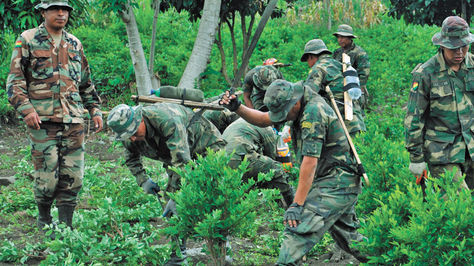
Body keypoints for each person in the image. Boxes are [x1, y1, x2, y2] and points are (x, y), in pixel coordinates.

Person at [219, 79, 368, 264]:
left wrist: (297, 204)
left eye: (284, 113)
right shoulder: (295, 102)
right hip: (334, 180)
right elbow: (265, 119)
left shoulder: (313, 112)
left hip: (337, 181)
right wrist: (238, 107)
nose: (282, 117)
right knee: (352, 242)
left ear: (295, 103)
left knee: (297, 228)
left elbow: (310, 162)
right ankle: (394, 258)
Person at [6, 0, 103, 231]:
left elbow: (86, 83)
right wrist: (27, 110)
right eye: (55, 9)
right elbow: (14, 82)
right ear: (43, 11)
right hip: (43, 122)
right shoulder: (28, 39)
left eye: (65, 10)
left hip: (73, 121)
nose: (61, 13)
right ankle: (44, 220)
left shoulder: (75, 43)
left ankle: (65, 228)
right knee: (47, 177)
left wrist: (94, 110)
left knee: (73, 176)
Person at [404, 16, 474, 191]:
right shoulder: (426, 74)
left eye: (464, 47)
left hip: (471, 146)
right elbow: (414, 118)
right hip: (441, 151)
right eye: (453, 48)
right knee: (459, 202)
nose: (459, 52)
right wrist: (416, 158)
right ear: (442, 45)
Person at [107, 103, 226, 196]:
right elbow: (131, 157)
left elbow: (182, 164)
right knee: (171, 204)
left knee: (208, 193)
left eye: (134, 132)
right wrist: (143, 180)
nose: (132, 138)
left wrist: (177, 195)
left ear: (141, 119)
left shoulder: (168, 121)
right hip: (176, 156)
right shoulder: (129, 135)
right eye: (127, 135)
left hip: (206, 147)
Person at [222, 118, 294, 207]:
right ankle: (292, 205)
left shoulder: (244, 121)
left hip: (223, 161)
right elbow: (271, 157)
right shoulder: (267, 128)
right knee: (276, 169)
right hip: (241, 158)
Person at [301, 39, 366, 136]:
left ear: (311, 56)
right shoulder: (341, 65)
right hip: (357, 122)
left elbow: (307, 95)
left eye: (307, 60)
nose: (308, 64)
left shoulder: (318, 69)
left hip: (342, 125)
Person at [332, 24, 370, 111]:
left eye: (342, 37)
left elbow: (364, 75)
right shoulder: (337, 53)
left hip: (354, 90)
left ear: (350, 38)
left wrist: (356, 92)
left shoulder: (359, 53)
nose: (339, 40)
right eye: (338, 37)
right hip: (339, 91)